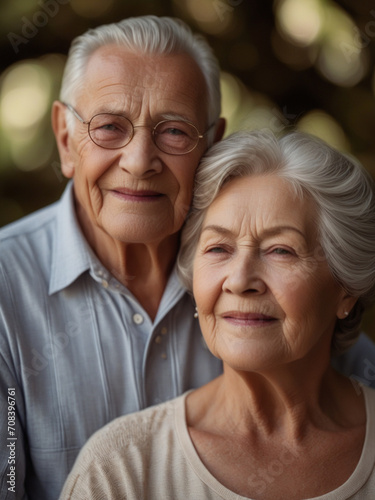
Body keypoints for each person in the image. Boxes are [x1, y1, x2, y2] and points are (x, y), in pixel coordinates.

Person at [0, 15, 373, 500]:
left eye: (173, 131)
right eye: (109, 127)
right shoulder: (7, 288)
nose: (138, 161)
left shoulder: (243, 279)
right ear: (67, 140)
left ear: (212, 144)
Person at [60, 130, 375, 500]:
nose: (240, 281)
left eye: (281, 251)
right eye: (218, 248)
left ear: (346, 289)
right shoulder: (122, 469)